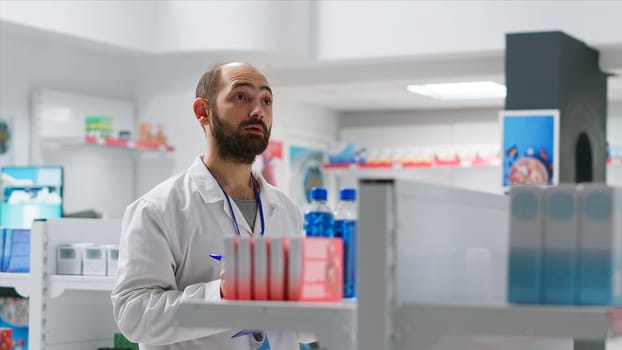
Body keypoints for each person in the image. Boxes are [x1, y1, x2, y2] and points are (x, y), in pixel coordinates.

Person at [111, 62, 314, 349]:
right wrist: (220, 294)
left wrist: (322, 300)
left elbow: (303, 331)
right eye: (241, 97)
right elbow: (133, 318)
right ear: (202, 111)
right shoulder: (157, 208)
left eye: (266, 100)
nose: (258, 111)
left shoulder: (286, 209)